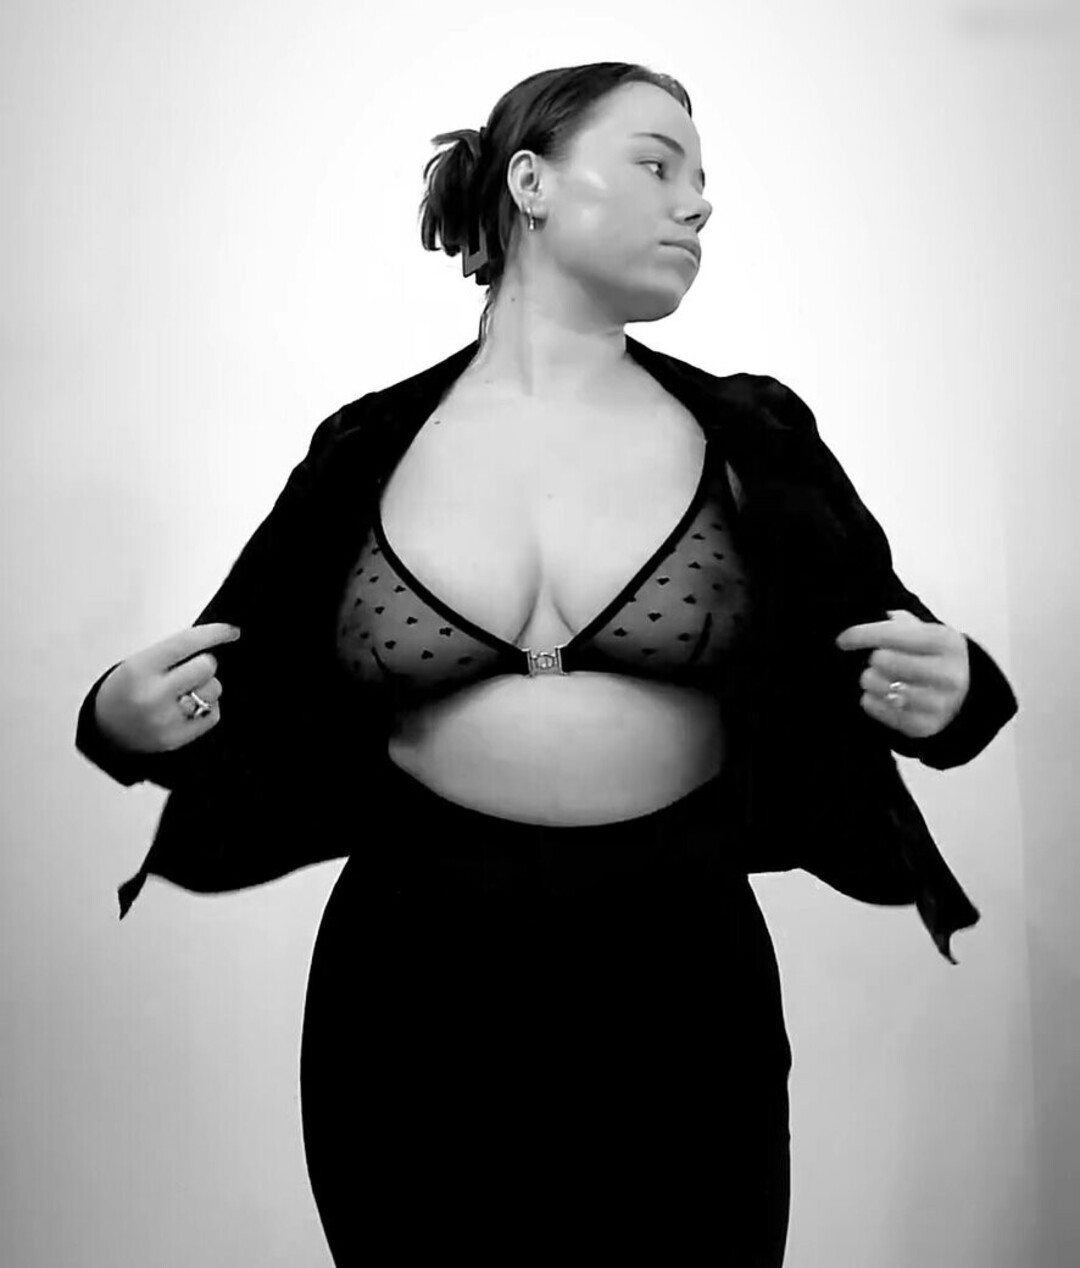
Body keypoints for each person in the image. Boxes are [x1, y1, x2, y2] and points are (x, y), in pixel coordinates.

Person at [74, 63, 1019, 1266]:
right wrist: (118, 719)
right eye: (657, 163)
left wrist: (960, 691)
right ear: (530, 182)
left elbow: (893, 641)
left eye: (703, 178)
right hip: (413, 978)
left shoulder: (752, 432)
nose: (697, 202)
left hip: (678, 972)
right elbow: (230, 667)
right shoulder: (368, 444)